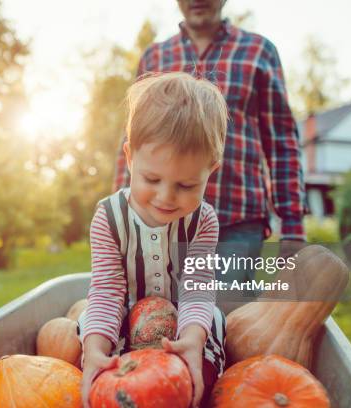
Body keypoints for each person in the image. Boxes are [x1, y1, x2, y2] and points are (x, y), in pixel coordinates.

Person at [113, 0, 307, 299]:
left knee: (220, 321)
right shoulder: (155, 56)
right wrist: (121, 215)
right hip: (161, 223)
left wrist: (292, 227)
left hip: (237, 222)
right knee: (155, 314)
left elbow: (282, 142)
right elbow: (134, 140)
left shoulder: (258, 52)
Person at [79, 72, 228, 408]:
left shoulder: (203, 220)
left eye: (187, 185)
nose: (166, 197)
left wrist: (191, 340)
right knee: (89, 327)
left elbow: (197, 287)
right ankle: (100, 374)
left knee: (214, 324)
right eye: (151, 178)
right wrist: (95, 351)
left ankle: (196, 386)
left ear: (211, 170)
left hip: (182, 323)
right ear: (131, 158)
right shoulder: (108, 217)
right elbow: (106, 290)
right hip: (124, 318)